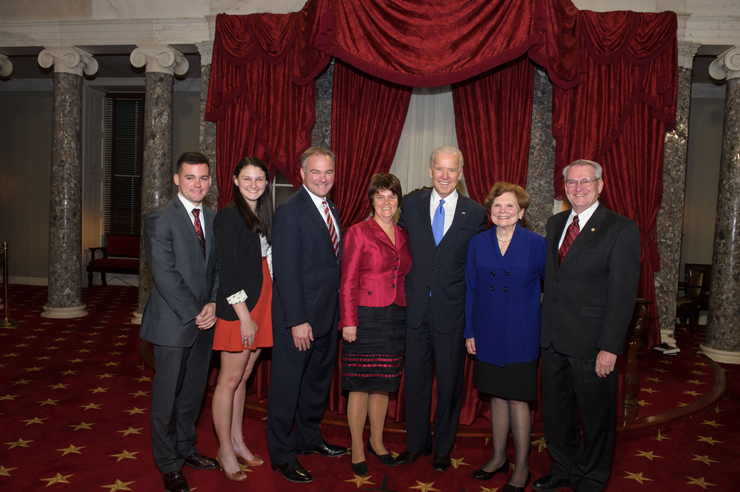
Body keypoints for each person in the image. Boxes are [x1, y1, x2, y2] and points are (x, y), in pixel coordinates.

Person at [533, 160, 640, 492]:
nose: (578, 188)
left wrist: (610, 346)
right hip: (552, 339)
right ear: (564, 188)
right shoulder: (554, 223)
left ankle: (591, 477)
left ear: (600, 185)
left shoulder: (621, 228)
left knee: (595, 418)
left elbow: (623, 294)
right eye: (571, 183)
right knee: (557, 413)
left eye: (585, 182)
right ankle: (562, 468)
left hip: (592, 343)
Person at [395, 146, 488, 471]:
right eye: (440, 169)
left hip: (453, 313)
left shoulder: (476, 213)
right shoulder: (409, 204)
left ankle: (443, 449)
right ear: (430, 170)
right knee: (416, 383)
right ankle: (416, 444)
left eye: (452, 170)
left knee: (449, 385)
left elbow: (479, 267)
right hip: (415, 310)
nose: (445, 176)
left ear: (460, 173)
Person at [139, 152, 219, 492]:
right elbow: (164, 274)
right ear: (176, 179)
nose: (197, 184)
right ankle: (168, 463)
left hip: (207, 321)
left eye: (203, 178)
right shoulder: (160, 219)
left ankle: (185, 447)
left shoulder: (215, 219)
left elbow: (217, 268)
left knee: (193, 393)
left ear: (210, 181)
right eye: (190, 177)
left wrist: (214, 302)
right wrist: (195, 310)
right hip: (174, 323)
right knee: (167, 397)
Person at [266, 146, 347, 483]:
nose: (323, 178)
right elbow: (285, 271)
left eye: (328, 172)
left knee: (315, 384)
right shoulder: (290, 212)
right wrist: (297, 320)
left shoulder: (332, 208)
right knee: (287, 387)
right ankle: (282, 455)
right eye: (315, 172)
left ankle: (309, 438)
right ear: (301, 173)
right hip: (298, 320)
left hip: (327, 317)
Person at [464, 182, 546, 492]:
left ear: (522, 212)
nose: (503, 211)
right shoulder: (477, 244)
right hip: (486, 332)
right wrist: (469, 332)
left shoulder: (536, 244)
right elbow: (471, 289)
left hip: (521, 334)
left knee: (517, 400)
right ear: (490, 211)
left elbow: (550, 289)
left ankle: (522, 466)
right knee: (496, 397)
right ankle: (498, 458)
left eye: (510, 206)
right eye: (497, 206)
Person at [339, 173, 412, 477]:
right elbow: (347, 279)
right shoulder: (358, 232)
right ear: (371, 200)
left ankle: (377, 441)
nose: (386, 202)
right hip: (364, 315)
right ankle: (357, 446)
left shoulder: (404, 234)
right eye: (380, 196)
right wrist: (348, 321)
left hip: (395, 315)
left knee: (383, 384)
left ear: (398, 202)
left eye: (391, 196)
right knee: (360, 385)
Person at [211, 157, 274, 481]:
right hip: (240, 308)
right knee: (229, 380)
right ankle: (224, 449)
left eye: (259, 179)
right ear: (235, 180)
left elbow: (266, 258)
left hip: (262, 300)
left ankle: (237, 441)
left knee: (245, 375)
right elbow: (229, 272)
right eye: (247, 178)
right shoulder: (227, 216)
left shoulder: (261, 212)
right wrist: (245, 317)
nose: (253, 184)